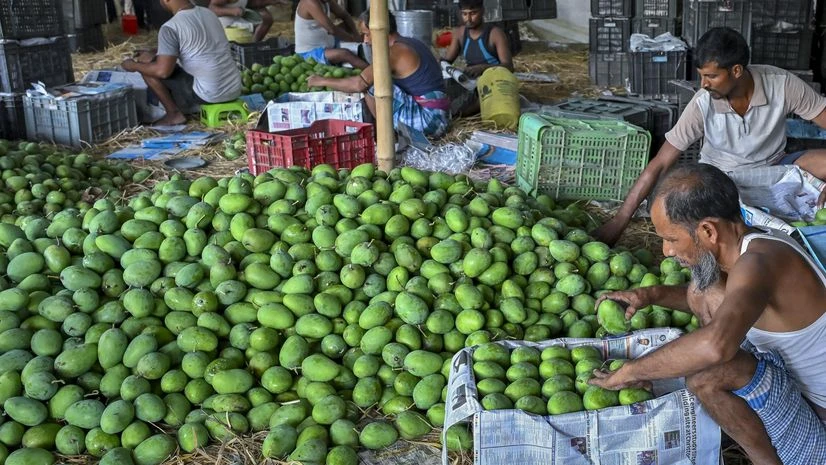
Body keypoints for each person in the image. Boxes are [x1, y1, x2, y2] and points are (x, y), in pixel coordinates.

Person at [590, 163, 826, 465]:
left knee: (706, 376)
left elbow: (716, 345)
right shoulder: (746, 247)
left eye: (672, 239)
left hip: (819, 416)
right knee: (703, 291)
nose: (666, 251)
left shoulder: (759, 264)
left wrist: (630, 372)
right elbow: (721, 305)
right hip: (792, 381)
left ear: (708, 230)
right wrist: (649, 296)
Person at [593, 27, 826, 246]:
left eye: (711, 76)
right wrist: (619, 221)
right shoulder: (703, 103)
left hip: (772, 168)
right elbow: (661, 163)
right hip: (720, 179)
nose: (703, 84)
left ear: (736, 71)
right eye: (701, 76)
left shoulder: (782, 85)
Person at [307, 11, 450, 138]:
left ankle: (385, 138)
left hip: (431, 121)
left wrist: (321, 80)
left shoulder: (395, 51)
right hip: (439, 115)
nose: (365, 41)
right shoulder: (410, 42)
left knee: (373, 86)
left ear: (381, 29)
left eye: (367, 34)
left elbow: (359, 84)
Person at [121, 0, 242, 126]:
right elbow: (195, 45)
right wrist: (156, 51)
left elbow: (162, 71)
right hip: (234, 88)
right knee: (151, 58)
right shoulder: (209, 13)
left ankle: (173, 114)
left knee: (145, 63)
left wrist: (133, 66)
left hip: (208, 94)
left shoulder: (170, 27)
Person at [442, 0, 513, 79]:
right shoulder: (460, 33)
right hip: (471, 83)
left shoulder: (495, 34)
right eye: (464, 14)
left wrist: (483, 68)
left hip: (494, 81)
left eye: (473, 13)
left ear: (482, 11)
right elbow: (446, 62)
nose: (468, 19)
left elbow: (509, 67)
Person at [294, 0, 367, 69]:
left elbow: (345, 16)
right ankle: (372, 72)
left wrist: (356, 34)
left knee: (347, 25)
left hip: (328, 41)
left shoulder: (326, 1)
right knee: (345, 54)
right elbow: (331, 29)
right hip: (309, 52)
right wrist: (353, 40)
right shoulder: (309, 2)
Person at [209, 0, 289, 43]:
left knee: (266, 18)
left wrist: (272, 1)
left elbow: (251, 3)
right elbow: (211, 8)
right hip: (225, 24)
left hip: (240, 19)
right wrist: (232, 11)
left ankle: (254, 45)